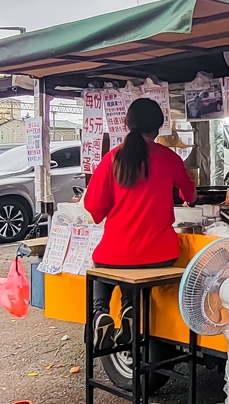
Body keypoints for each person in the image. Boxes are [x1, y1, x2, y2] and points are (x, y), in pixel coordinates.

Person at [84, 98, 195, 344]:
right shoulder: (170, 158)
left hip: (116, 254)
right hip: (162, 255)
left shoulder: (112, 159)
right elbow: (191, 195)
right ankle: (129, 310)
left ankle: (100, 312)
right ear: (160, 126)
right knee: (132, 268)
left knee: (106, 265)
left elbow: (93, 208)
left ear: (126, 123)